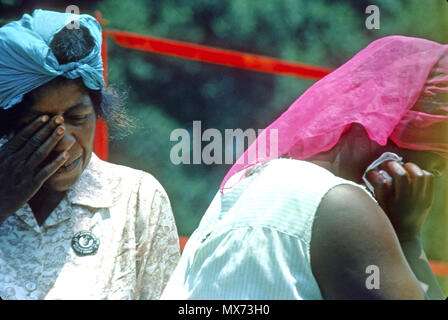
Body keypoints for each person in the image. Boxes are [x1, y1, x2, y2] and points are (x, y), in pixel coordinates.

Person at [161, 36, 448, 300]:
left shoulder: (248, 184)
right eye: (434, 167)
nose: (429, 181)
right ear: (405, 130)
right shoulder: (343, 206)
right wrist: (408, 237)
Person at [0, 9, 180, 300]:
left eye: (78, 118)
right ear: (8, 126)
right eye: (42, 126)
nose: (63, 142)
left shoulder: (136, 199)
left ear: (97, 114)